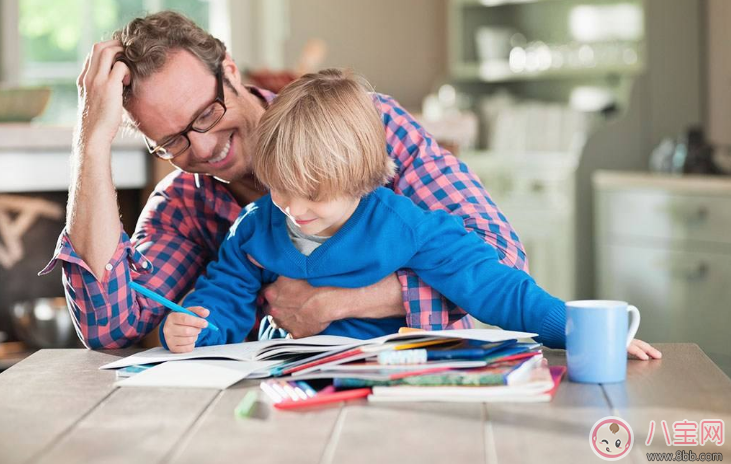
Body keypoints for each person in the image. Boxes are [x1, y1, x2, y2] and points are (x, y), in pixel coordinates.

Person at [40, 11, 659, 360]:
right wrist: (92, 138)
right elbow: (114, 326)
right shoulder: (235, 222)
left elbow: (497, 273)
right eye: (171, 141)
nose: (199, 148)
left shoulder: (362, 135)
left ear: (229, 71)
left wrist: (340, 302)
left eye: (203, 116)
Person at [161, 69, 660, 363]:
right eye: (280, 190)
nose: (292, 209)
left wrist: (579, 330)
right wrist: (194, 329)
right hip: (284, 378)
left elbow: (497, 287)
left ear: (359, 174)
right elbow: (222, 295)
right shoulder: (255, 224)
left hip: (388, 376)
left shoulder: (406, 225)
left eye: (310, 192)